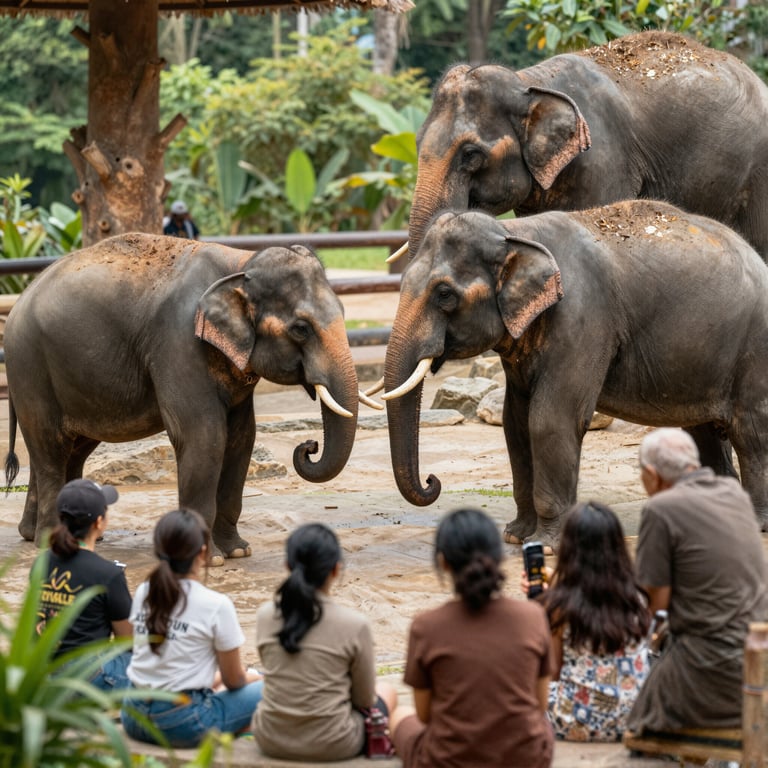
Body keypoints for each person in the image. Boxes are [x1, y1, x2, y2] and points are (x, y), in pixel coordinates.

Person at [627, 428, 768, 733]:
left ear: (651, 474)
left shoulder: (659, 509)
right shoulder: (735, 495)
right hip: (759, 660)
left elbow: (656, 605)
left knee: (635, 717)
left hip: (712, 669)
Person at [390, 507, 554, 768]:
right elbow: (540, 703)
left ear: (443, 562)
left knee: (399, 715)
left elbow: (423, 715)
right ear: (498, 559)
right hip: (525, 757)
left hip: (448, 760)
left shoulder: (426, 627)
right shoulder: (533, 617)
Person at [253, 523, 397, 761]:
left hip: (270, 738)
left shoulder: (265, 615)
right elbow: (364, 699)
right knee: (387, 692)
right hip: (335, 743)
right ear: (335, 570)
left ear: (287, 566)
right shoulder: (355, 624)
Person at [121, 508, 262, 748]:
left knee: (216, 683)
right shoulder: (217, 605)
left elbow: (154, 662)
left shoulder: (145, 591)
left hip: (133, 716)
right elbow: (235, 680)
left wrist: (212, 679)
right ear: (203, 552)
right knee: (270, 687)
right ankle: (241, 730)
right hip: (182, 723)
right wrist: (255, 677)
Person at [530, 501, 650, 742]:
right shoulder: (636, 596)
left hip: (576, 720)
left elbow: (553, 671)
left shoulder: (561, 604)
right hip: (634, 716)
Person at [35, 478, 133, 691]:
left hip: (42, 674)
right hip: (86, 680)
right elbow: (127, 641)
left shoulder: (40, 563)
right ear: (99, 522)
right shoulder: (108, 574)